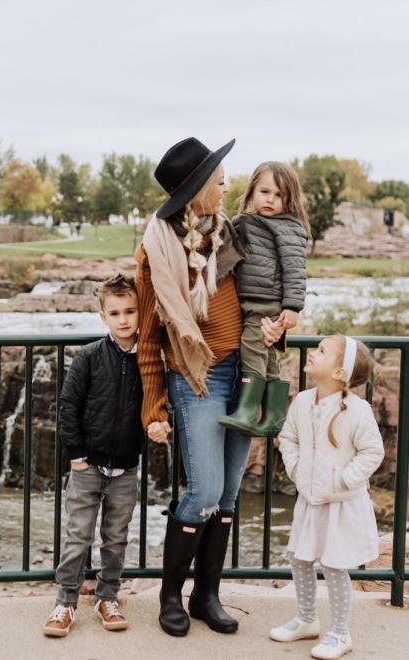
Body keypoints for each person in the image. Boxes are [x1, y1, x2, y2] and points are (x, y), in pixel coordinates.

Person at [135, 137, 285, 637]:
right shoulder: (156, 250)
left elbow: (260, 298)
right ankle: (170, 597)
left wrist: (275, 329)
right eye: (218, 180)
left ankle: (207, 595)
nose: (225, 187)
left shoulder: (230, 237)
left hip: (243, 372)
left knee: (228, 494)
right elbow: (150, 338)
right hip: (195, 377)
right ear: (196, 189)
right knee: (203, 490)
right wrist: (153, 405)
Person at [270, 335, 384, 659]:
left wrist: (344, 479)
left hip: (340, 504)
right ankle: (306, 619)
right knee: (300, 558)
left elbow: (372, 451)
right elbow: (287, 437)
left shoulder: (357, 411)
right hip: (309, 499)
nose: (313, 353)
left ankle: (339, 633)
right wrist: (294, 468)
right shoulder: (303, 401)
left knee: (335, 566)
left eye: (322, 351)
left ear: (339, 373)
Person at [43, 274, 144, 637]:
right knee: (77, 536)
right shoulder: (88, 357)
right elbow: (68, 406)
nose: (124, 320)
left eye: (130, 311)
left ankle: (108, 596)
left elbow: (157, 406)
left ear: (139, 313)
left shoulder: (148, 360)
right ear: (103, 316)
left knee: (116, 538)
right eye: (115, 312)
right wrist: (77, 456)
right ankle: (65, 601)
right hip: (87, 465)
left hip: (126, 466)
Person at [219, 161, 310, 437]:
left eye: (279, 195)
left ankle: (247, 411)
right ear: (252, 192)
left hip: (266, 300)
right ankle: (273, 417)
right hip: (248, 299)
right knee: (268, 358)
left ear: (289, 198)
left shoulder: (289, 228)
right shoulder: (244, 222)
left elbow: (295, 270)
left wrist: (292, 307)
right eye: (265, 191)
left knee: (252, 347)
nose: (270, 199)